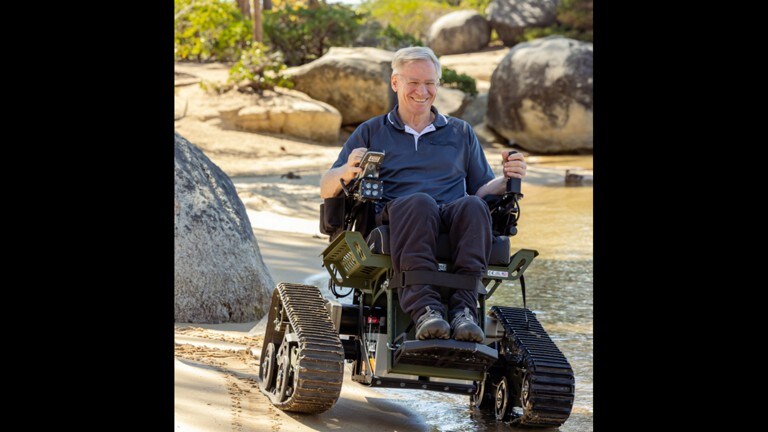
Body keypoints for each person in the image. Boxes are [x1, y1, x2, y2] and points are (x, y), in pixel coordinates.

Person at [320, 46, 527, 342]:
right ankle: (425, 308)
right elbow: (326, 185)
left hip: (452, 216)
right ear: (395, 83)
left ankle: (463, 311)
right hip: (400, 216)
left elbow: (480, 190)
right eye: (413, 82)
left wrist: (506, 179)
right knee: (420, 203)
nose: (422, 91)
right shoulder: (371, 131)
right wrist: (348, 170)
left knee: (472, 206)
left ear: (437, 85)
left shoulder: (461, 132)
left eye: (429, 83)